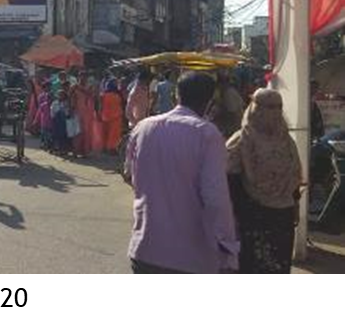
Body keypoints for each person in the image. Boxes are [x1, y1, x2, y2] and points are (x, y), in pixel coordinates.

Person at [125, 72, 238, 274]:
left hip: (144, 247)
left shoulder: (143, 128)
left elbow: (132, 177)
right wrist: (228, 248)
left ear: (177, 95)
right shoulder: (207, 134)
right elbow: (215, 199)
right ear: (210, 102)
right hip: (188, 257)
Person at [226, 89, 303, 274]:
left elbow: (229, 180)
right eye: (270, 107)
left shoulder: (242, 140)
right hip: (274, 216)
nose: (274, 113)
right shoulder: (287, 142)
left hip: (256, 216)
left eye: (278, 108)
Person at [211, 74, 246, 140]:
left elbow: (233, 112)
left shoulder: (228, 93)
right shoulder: (228, 91)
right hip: (234, 125)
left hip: (233, 126)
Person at [100, 80, 124, 154]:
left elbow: (100, 105)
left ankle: (104, 147)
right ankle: (111, 148)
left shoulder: (103, 95)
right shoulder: (117, 96)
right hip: (116, 116)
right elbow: (121, 103)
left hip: (105, 116)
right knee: (114, 134)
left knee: (105, 133)